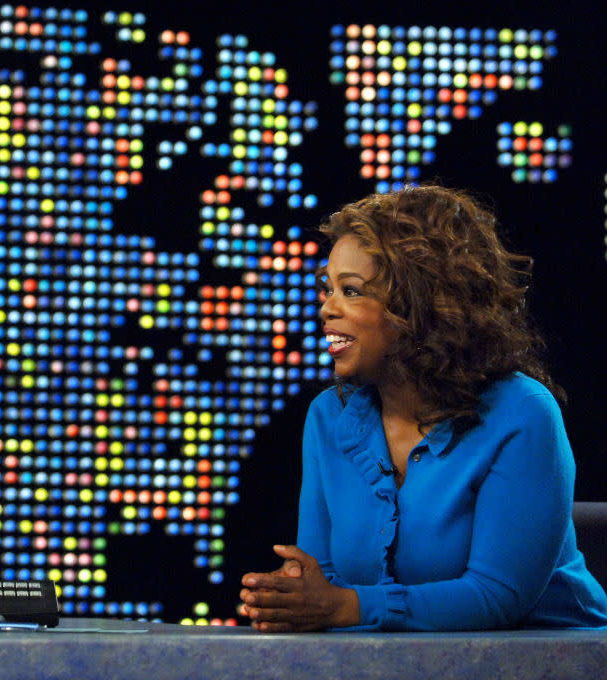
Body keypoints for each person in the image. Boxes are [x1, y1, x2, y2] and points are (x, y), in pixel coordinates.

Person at [239, 185, 607, 631]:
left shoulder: (523, 413)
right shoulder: (328, 416)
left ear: (420, 305)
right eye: (327, 288)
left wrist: (343, 607)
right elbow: (326, 579)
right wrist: (300, 598)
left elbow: (496, 596)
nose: (326, 308)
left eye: (351, 291)